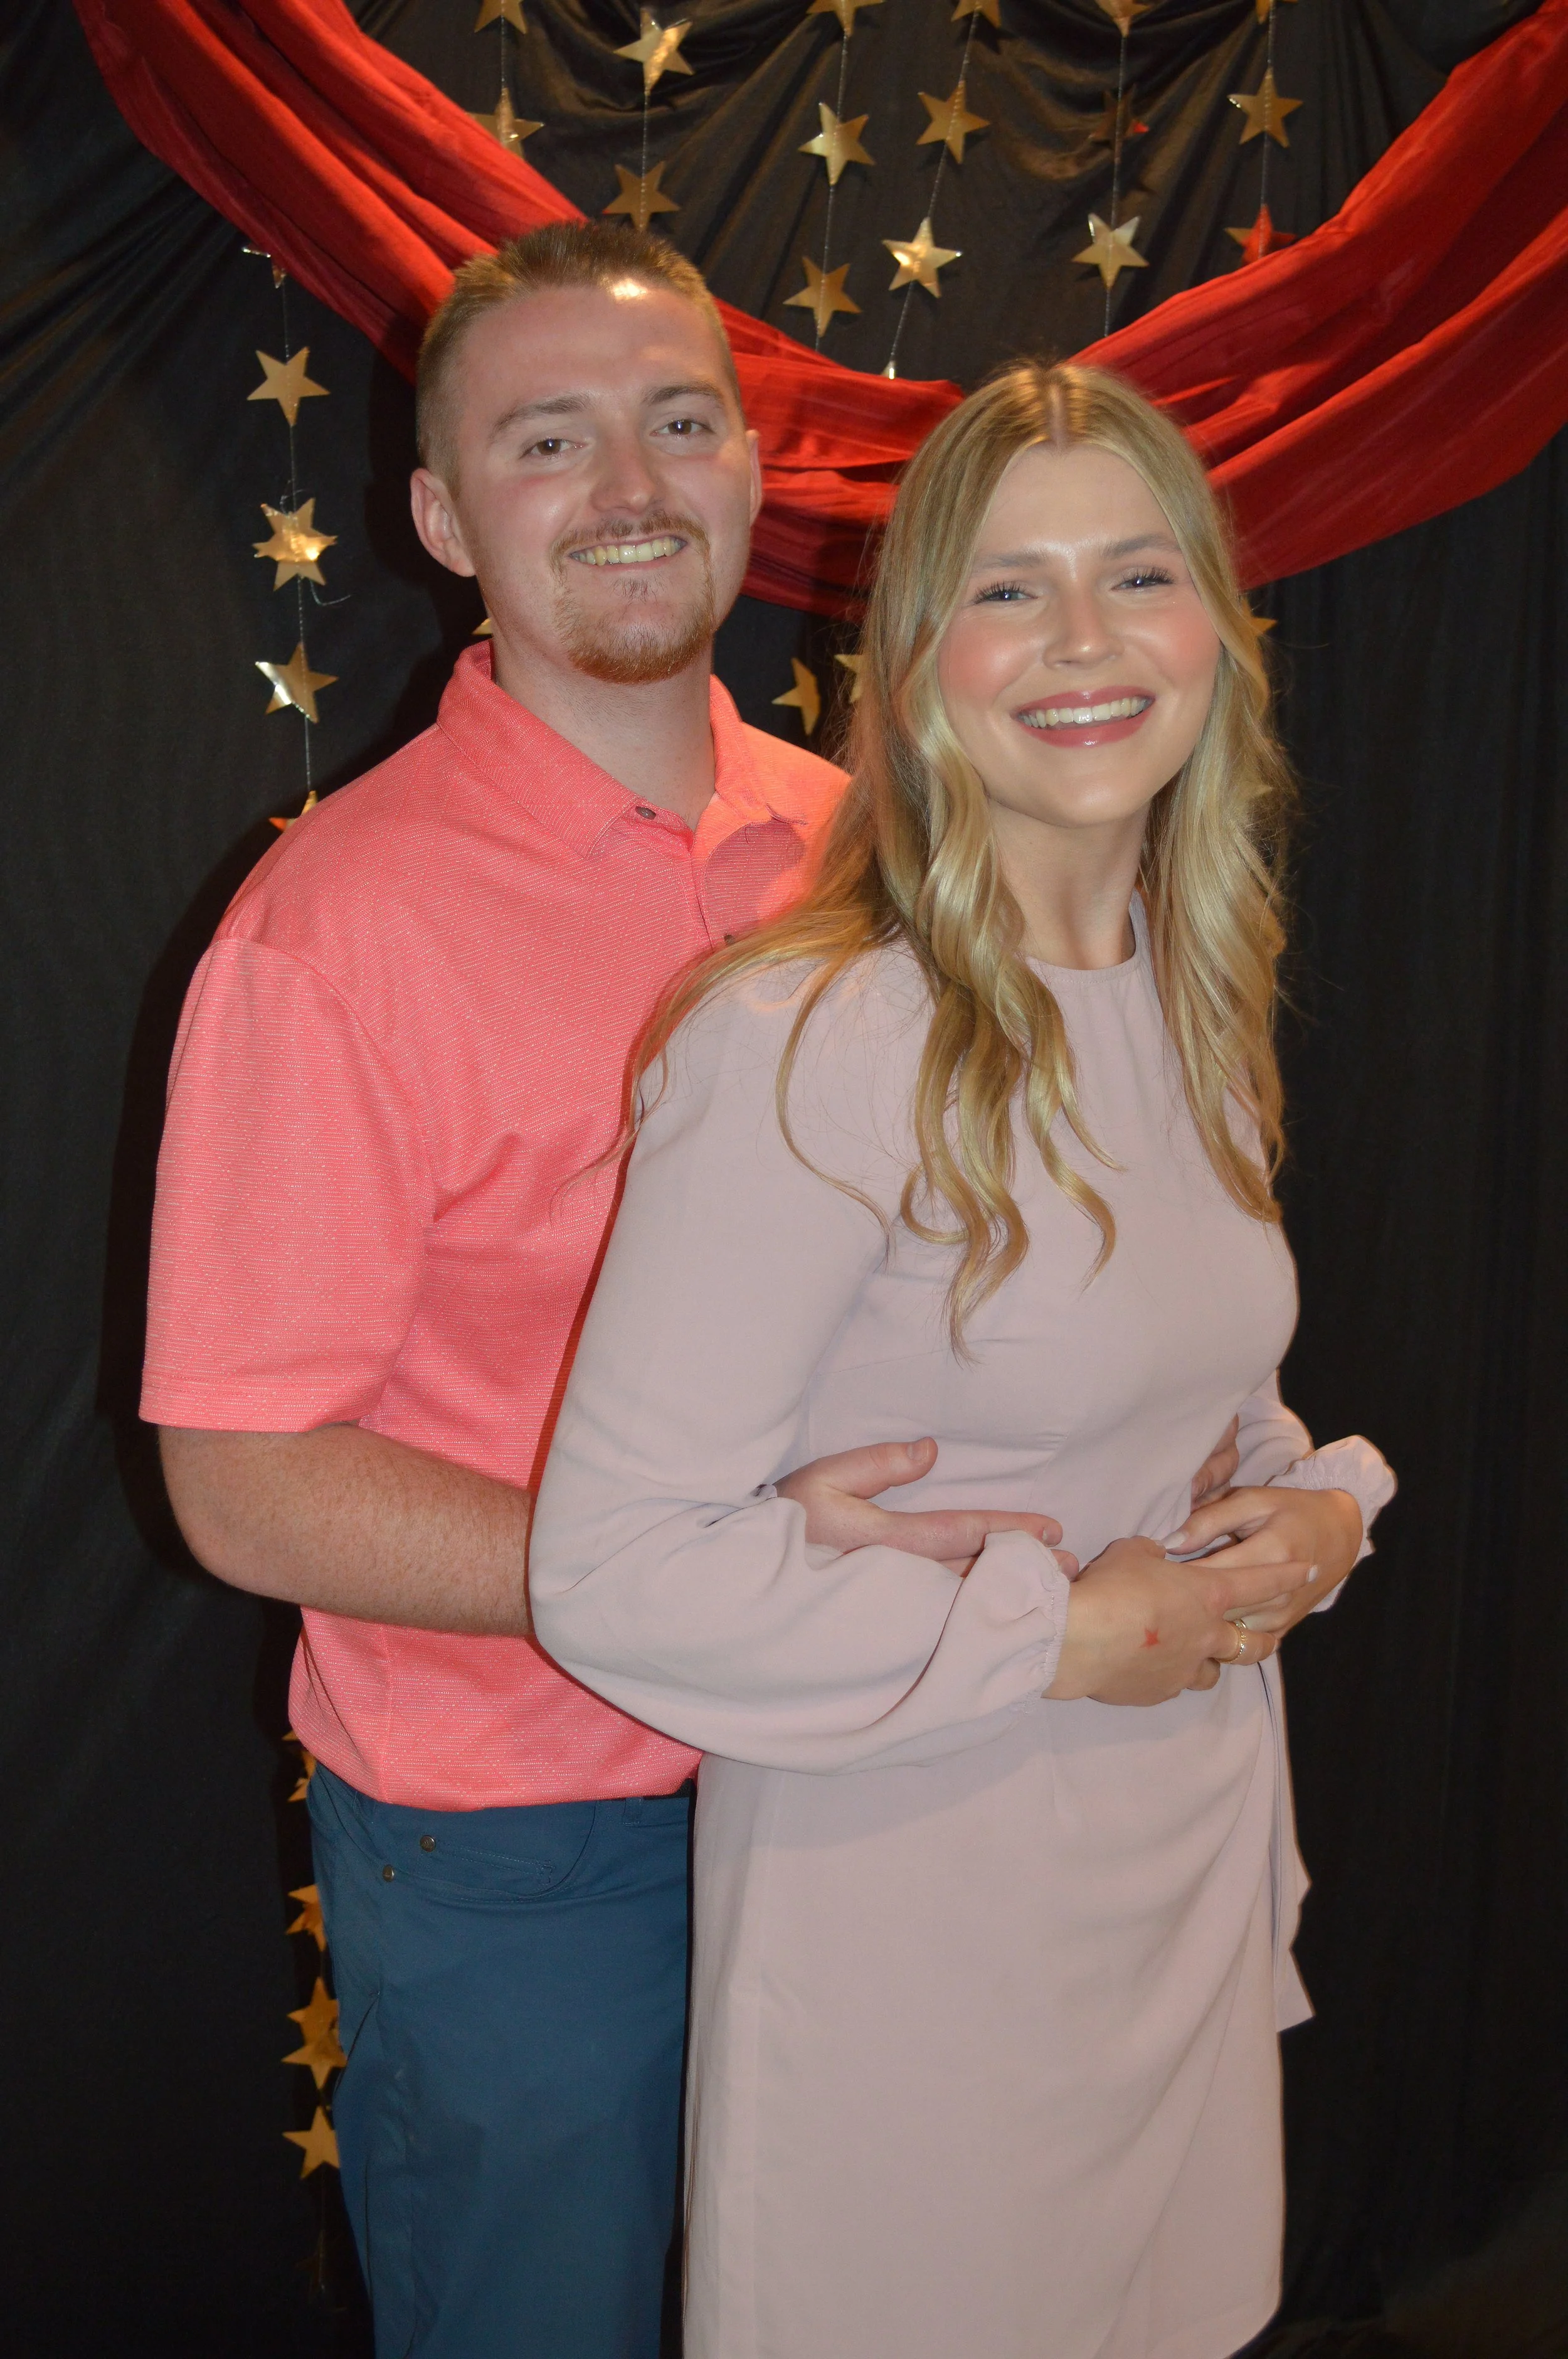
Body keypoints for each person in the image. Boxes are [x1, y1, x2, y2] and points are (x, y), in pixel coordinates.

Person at [144, 226, 1125, 2358]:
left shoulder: (880, 856)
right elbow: (241, 1484)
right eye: (545, 437)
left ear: (755, 471)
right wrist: (701, 1574)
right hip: (528, 1847)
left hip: (883, 1775)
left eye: (679, 422)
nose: (626, 483)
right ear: (437, 516)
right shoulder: (330, 939)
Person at [528, 361, 1397, 2359]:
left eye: (1136, 574)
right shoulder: (816, 1036)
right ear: (915, 666)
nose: (1082, 643)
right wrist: (1056, 1639)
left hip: (1169, 1887)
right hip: (909, 1928)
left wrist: (1309, 1511)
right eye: (1007, 591)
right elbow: (616, 1569)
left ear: (1215, 635)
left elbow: (1176, 1402)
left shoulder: (1188, 1004)